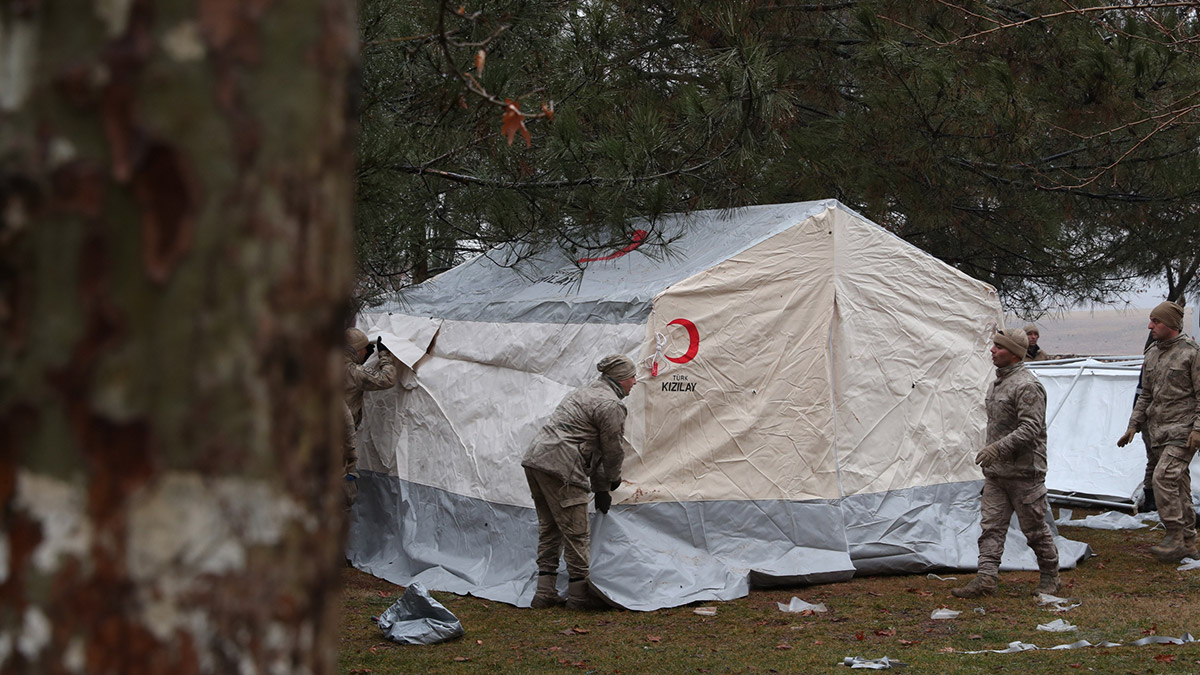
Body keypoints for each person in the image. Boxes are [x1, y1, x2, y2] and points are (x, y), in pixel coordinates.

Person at [522, 354, 637, 610]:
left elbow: (592, 448)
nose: (635, 382)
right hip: (562, 466)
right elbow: (612, 450)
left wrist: (600, 488)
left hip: (536, 460)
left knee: (550, 528)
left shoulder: (584, 393)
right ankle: (578, 597)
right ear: (620, 379)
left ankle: (544, 593)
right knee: (577, 532)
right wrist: (613, 479)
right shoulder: (610, 405)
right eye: (632, 376)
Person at [953, 328, 1061, 598]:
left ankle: (1051, 577)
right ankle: (986, 578)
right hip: (997, 474)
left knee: (1035, 530)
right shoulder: (997, 383)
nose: (992, 350)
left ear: (1013, 354)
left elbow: (1031, 428)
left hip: (1025, 473)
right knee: (991, 527)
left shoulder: (1027, 386)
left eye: (998, 347)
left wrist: (996, 449)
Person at [1117, 301, 1200, 562]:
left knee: (1162, 478)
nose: (1150, 326)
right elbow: (1146, 395)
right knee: (1180, 486)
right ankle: (1188, 541)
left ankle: (1174, 535)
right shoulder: (1152, 353)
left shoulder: (1192, 353)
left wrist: (1198, 429)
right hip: (1157, 431)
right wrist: (1133, 425)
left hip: (1183, 431)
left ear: (1171, 325)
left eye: (1156, 321)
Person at [344, 328, 398, 509]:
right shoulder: (351, 372)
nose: (368, 354)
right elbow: (387, 378)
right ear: (357, 351)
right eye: (366, 350)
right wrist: (384, 355)